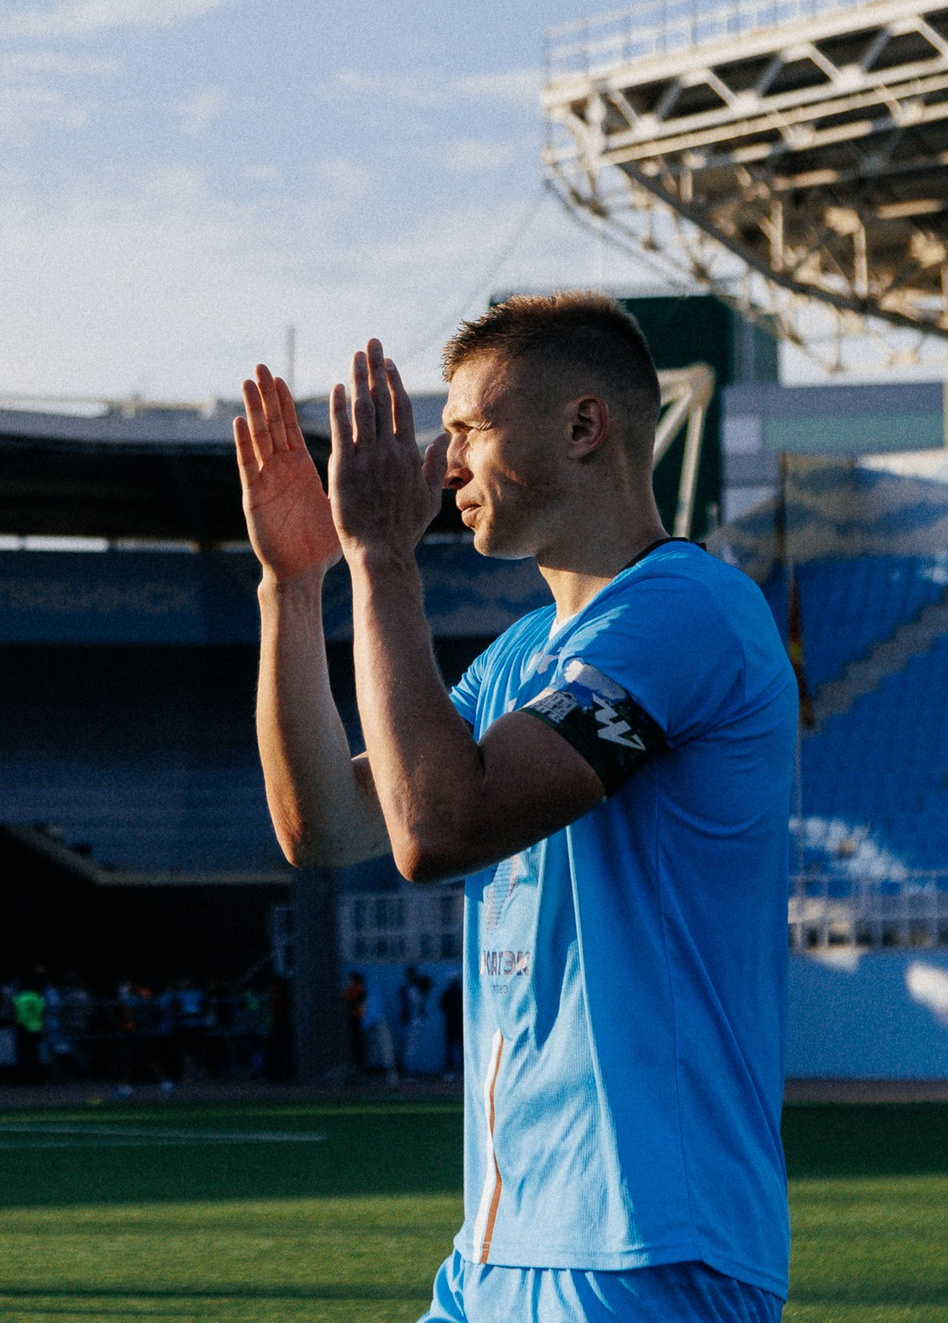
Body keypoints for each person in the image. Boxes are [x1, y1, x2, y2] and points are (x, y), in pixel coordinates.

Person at [236, 297, 797, 1321]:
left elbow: (438, 828)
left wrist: (382, 560)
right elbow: (323, 826)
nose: (445, 462)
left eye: (470, 428)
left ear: (583, 427)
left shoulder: (691, 610)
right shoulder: (518, 659)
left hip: (647, 1247)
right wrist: (294, 585)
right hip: (498, 1245)